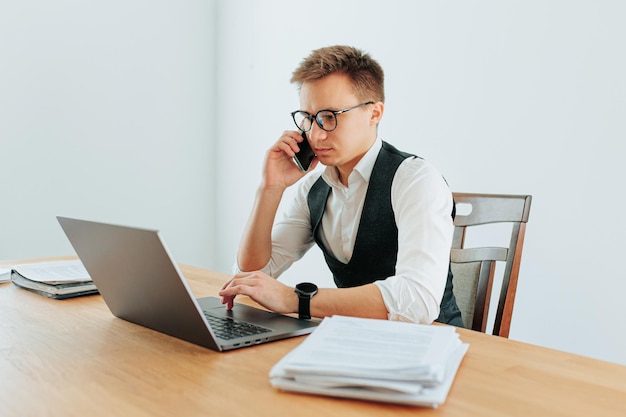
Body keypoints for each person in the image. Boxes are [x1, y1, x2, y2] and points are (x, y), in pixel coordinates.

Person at [219, 45, 462, 326]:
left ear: (374, 113)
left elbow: (416, 300)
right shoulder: (314, 190)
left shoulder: (416, 180)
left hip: (431, 350)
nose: (316, 134)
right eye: (308, 118)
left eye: (329, 117)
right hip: (353, 343)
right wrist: (270, 189)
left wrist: (296, 299)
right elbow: (251, 276)